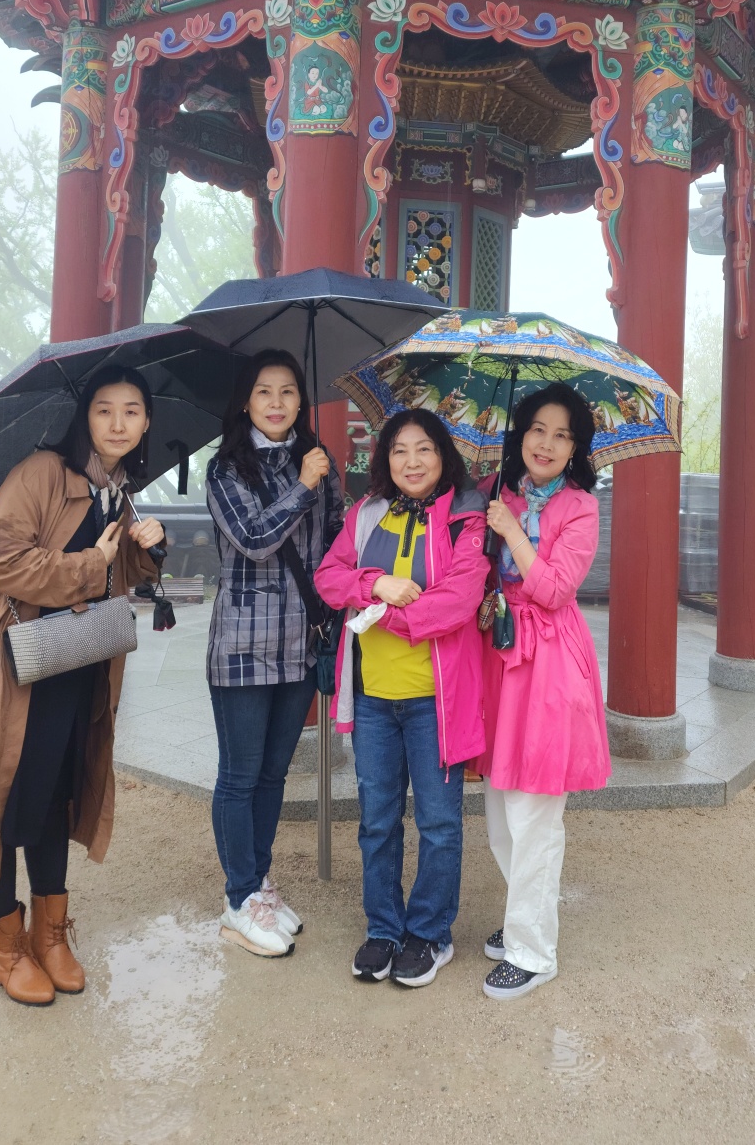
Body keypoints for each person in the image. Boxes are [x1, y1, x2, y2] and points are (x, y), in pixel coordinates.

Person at [0, 366, 165, 1006]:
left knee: (54, 798)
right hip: (7, 667)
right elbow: (1, 560)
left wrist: (144, 548)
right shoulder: (42, 472)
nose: (118, 423)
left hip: (70, 667)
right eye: (105, 410)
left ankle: (51, 936)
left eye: (132, 410)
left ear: (147, 422)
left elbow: (116, 576)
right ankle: (6, 947)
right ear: (85, 417)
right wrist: (95, 561)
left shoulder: (118, 491)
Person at [315, 410, 488, 988]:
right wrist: (375, 584)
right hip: (372, 699)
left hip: (435, 700)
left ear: (443, 456)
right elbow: (329, 577)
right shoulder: (367, 514)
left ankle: (430, 933)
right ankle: (385, 929)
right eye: (399, 451)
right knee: (377, 820)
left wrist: (377, 614)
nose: (411, 462)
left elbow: (458, 601)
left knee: (438, 822)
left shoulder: (465, 518)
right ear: (384, 459)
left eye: (424, 449)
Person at [474, 382, 611, 1000]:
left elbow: (555, 589)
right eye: (537, 429)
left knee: (533, 812)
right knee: (500, 810)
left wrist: (512, 533)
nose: (547, 444)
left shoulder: (580, 508)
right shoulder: (498, 493)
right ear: (520, 434)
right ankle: (522, 917)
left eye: (562, 435)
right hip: (500, 658)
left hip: (549, 663)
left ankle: (533, 951)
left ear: (575, 448)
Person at [205, 350, 343, 960]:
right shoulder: (225, 469)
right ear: (246, 401)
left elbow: (335, 544)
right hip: (242, 643)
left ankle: (259, 882)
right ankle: (238, 899)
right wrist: (305, 485)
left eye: (288, 391)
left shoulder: (318, 460)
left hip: (299, 642)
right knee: (239, 776)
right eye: (265, 391)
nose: (278, 402)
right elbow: (255, 539)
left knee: (272, 774)